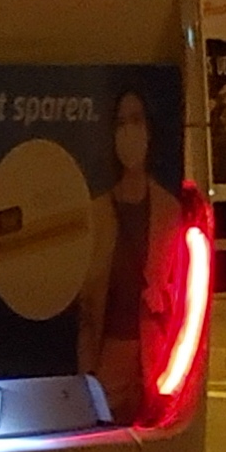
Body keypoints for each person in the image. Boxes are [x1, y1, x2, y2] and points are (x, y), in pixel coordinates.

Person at [80, 89, 179, 423]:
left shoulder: (169, 210)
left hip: (156, 363)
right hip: (107, 367)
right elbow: (86, 309)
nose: (129, 132)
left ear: (150, 129)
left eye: (136, 120)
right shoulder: (96, 213)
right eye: (121, 123)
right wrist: (88, 374)